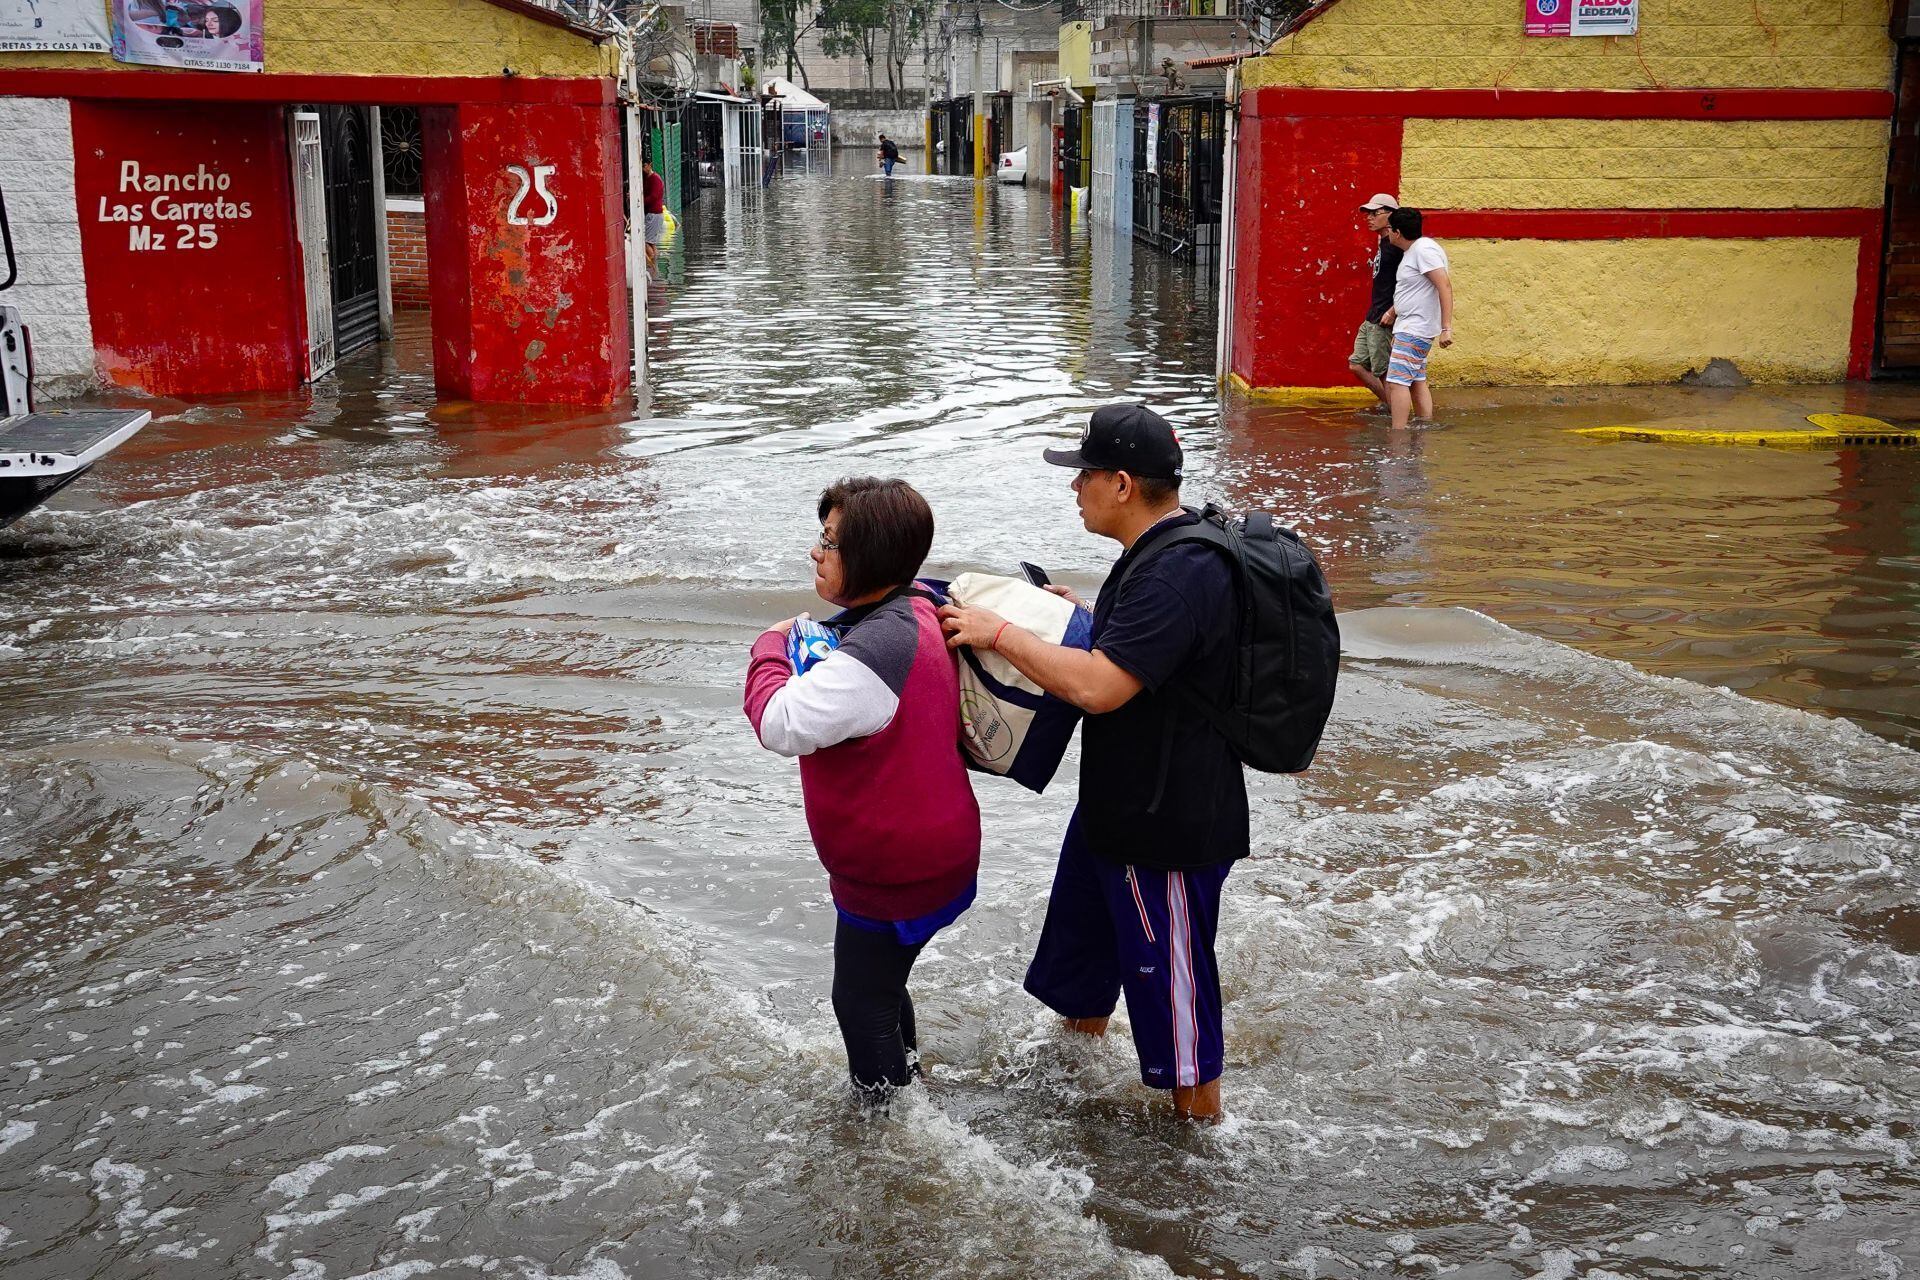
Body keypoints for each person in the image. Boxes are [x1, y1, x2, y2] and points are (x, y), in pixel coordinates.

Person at [936, 406, 1244, 1124]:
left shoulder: (1180, 571)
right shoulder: (1158, 555)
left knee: (1178, 1017)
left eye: (1084, 476)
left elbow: (1100, 688)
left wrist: (1001, 631)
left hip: (1163, 827)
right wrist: (1079, 616)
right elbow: (1137, 650)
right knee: (1083, 975)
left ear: (1124, 484)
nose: (1074, 489)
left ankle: (1200, 1158)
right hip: (1117, 808)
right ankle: (1073, 1106)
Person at [743, 478, 981, 1105]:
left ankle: (890, 1129)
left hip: (896, 868)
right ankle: (909, 1081)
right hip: (939, 849)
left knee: (858, 997)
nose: (815, 554)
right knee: (883, 981)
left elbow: (779, 723)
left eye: (828, 542)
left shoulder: (875, 651)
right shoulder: (917, 608)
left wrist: (769, 647)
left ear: (868, 559)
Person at [1379, 206, 1454, 431]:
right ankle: (1423, 426)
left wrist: (1446, 328)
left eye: (1390, 228)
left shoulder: (1423, 251)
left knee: (1396, 382)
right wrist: (1394, 312)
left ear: (1398, 232)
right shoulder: (1417, 250)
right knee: (1416, 380)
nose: (1388, 233)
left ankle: (1398, 434)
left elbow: (1444, 285)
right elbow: (1415, 290)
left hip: (1415, 328)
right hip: (1410, 326)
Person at [1349, 193, 1403, 410]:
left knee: (1384, 371)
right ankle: (1391, 404)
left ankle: (1397, 412)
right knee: (1356, 364)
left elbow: (1408, 283)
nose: (1369, 218)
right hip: (1373, 314)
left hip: (1384, 317)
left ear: (1390, 215)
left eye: (1375, 213)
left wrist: (1393, 311)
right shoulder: (1383, 240)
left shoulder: (1397, 245)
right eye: (1367, 214)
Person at [641, 157, 666, 276]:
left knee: (644, 240)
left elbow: (654, 196)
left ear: (649, 165)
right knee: (651, 242)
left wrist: (640, 201)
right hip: (655, 214)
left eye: (644, 165)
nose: (643, 168)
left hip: (654, 214)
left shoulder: (655, 179)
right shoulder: (649, 179)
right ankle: (654, 265)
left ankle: (652, 264)